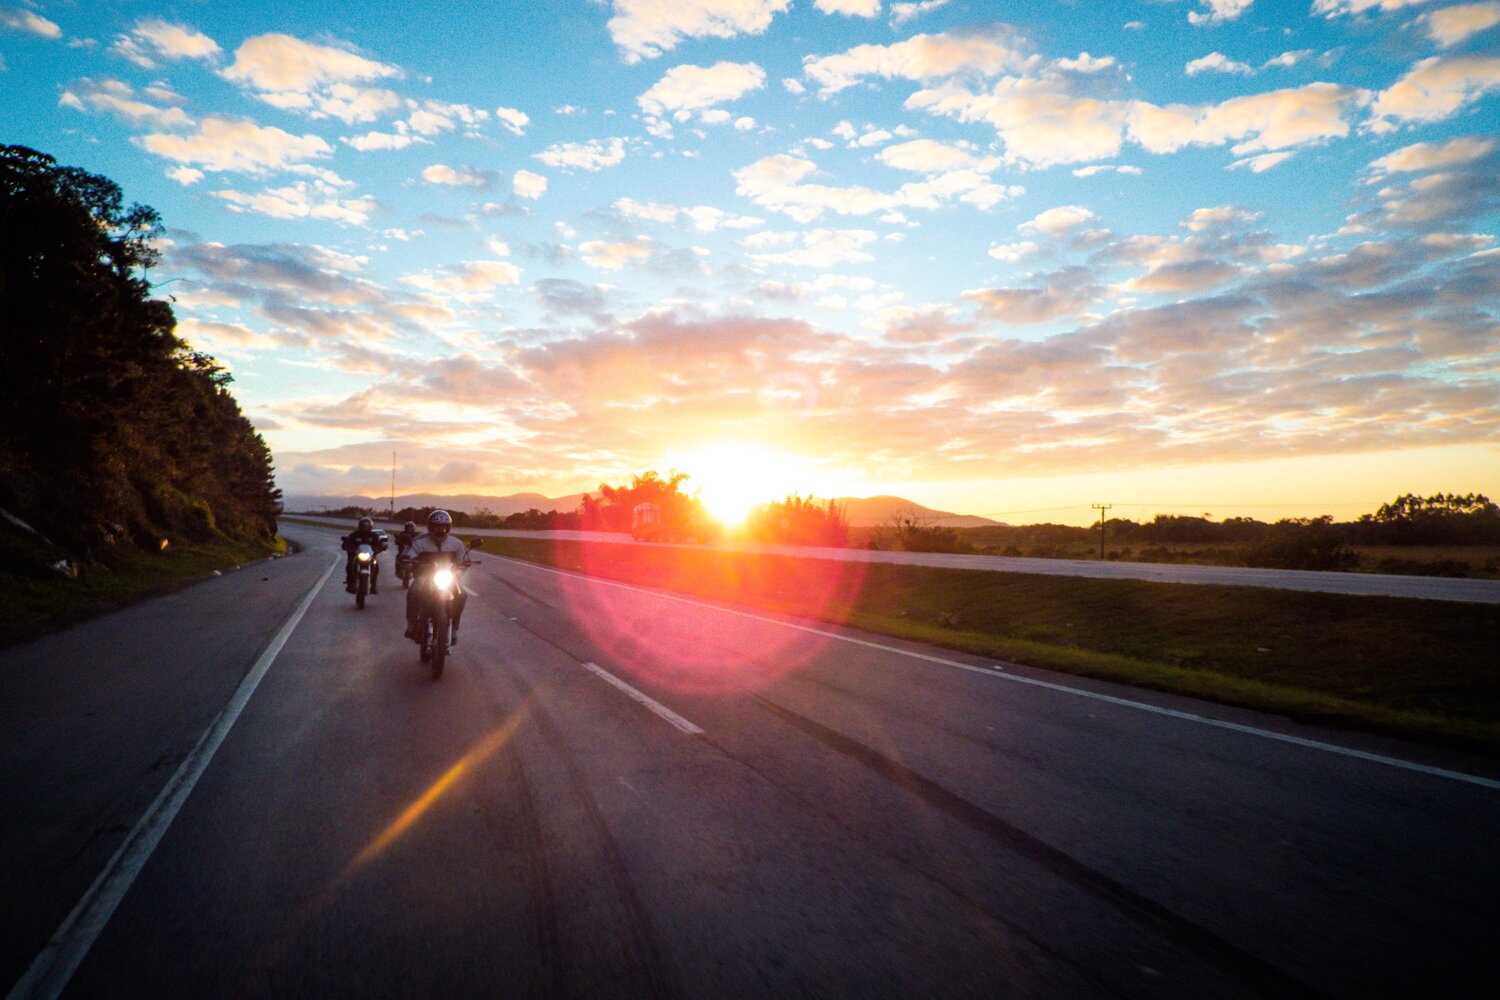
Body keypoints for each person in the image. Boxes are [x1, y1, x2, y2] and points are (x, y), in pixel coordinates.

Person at [404, 510, 469, 645]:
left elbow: (464, 560)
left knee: (462, 595)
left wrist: (460, 570)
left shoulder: (456, 543)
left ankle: (454, 629)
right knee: (414, 590)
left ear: (448, 527)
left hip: (448, 576)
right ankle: (411, 624)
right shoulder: (419, 542)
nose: (440, 529)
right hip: (424, 576)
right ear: (430, 526)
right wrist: (407, 559)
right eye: (437, 526)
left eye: (444, 526)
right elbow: (409, 555)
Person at [341, 516, 388, 594]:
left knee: (376, 567)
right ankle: (350, 584)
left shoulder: (374, 536)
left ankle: (373, 585)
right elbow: (348, 543)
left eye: (367, 526)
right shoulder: (354, 535)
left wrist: (380, 548)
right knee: (349, 565)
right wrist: (347, 547)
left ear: (370, 526)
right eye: (363, 526)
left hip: (370, 557)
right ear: (360, 526)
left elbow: (378, 544)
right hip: (356, 556)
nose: (365, 528)